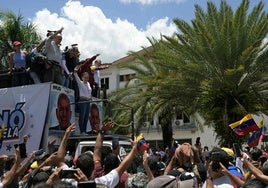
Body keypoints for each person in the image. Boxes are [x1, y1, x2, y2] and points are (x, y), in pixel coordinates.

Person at [74, 66, 92, 134]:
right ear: (82, 77)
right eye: (85, 77)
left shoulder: (88, 83)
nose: (87, 78)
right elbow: (76, 77)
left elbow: (89, 92)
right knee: (82, 116)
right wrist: (75, 71)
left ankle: (84, 130)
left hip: (88, 101)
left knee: (86, 117)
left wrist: (90, 97)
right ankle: (82, 131)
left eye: (87, 77)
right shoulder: (80, 82)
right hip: (82, 100)